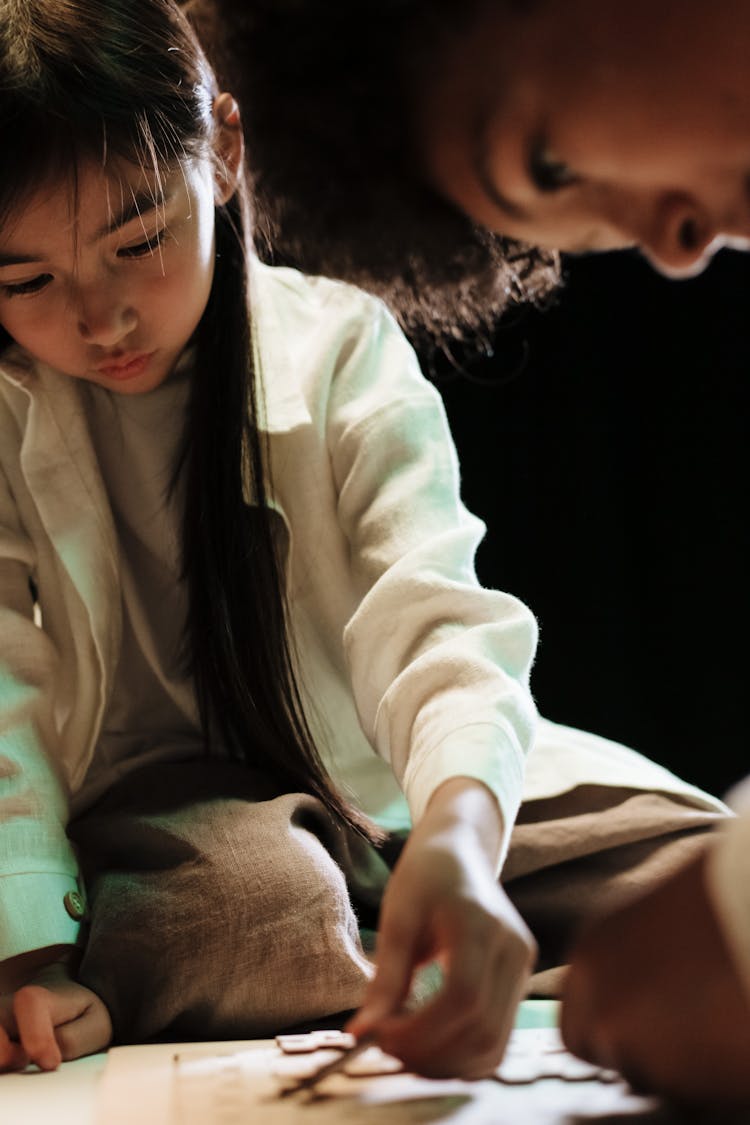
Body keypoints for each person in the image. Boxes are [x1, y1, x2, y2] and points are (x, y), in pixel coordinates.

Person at [0, 0, 728, 1085]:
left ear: (228, 152)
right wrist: (37, 959)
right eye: (28, 282)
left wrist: (458, 835)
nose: (104, 319)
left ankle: (429, 931)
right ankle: (430, 954)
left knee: (694, 866)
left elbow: (430, 615)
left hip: (379, 784)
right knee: (260, 907)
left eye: (141, 239)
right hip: (171, 817)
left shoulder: (340, 346)